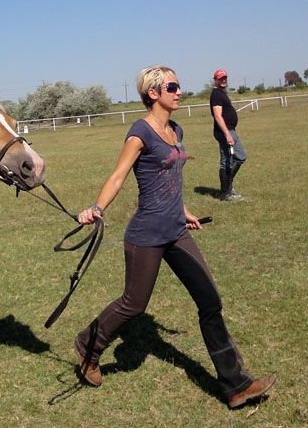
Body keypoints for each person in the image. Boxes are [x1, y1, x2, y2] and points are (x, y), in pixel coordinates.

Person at [73, 65, 276, 409]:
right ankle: (88, 347)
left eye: (178, 86)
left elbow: (170, 178)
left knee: (210, 301)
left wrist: (183, 211)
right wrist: (97, 208)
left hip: (176, 231)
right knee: (134, 305)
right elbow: (119, 176)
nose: (179, 91)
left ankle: (236, 385)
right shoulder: (140, 132)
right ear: (153, 93)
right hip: (146, 234)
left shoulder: (176, 129)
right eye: (172, 86)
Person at [210, 69, 246, 201]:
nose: (223, 80)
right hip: (225, 132)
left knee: (234, 159)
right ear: (215, 79)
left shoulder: (221, 93)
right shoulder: (216, 95)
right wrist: (227, 134)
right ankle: (226, 192)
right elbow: (218, 116)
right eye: (221, 78)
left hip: (229, 130)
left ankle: (228, 188)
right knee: (229, 159)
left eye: (225, 78)